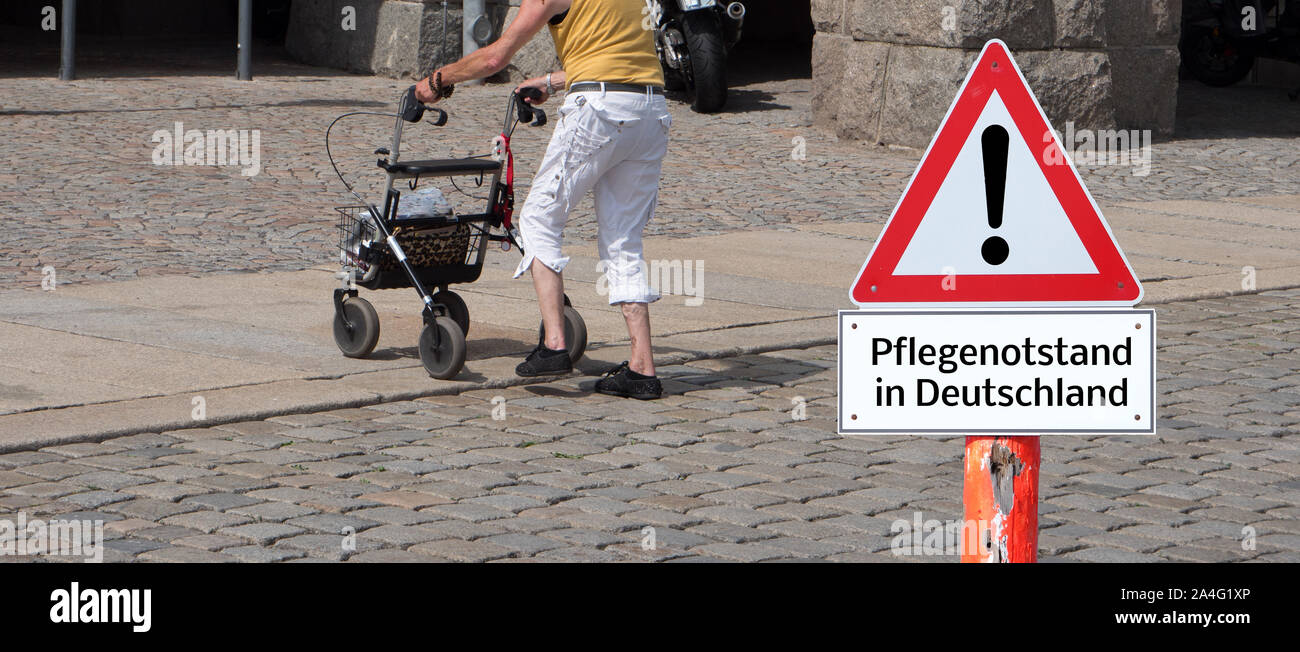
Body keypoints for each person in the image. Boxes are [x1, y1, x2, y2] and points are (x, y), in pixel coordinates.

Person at [416, 0, 671, 400]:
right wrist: (551, 82)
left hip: (599, 111)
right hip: (651, 111)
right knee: (623, 237)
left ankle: (554, 345)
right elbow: (618, 60)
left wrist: (436, 81)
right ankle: (642, 369)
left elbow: (495, 57)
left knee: (538, 219)